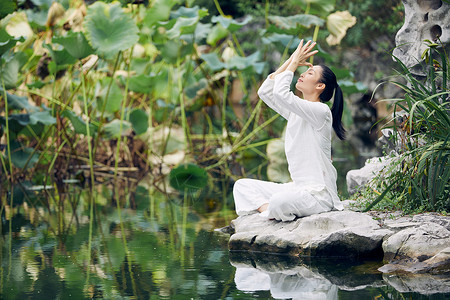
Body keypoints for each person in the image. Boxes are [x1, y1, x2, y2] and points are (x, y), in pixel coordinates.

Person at [233, 40, 345, 222]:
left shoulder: (321, 112)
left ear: (320, 86)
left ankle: (268, 211)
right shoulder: (298, 112)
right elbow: (265, 92)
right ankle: (270, 212)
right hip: (297, 189)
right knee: (242, 186)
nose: (301, 74)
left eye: (309, 73)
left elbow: (281, 94)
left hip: (318, 196)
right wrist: (292, 60)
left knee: (279, 200)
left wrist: (293, 65)